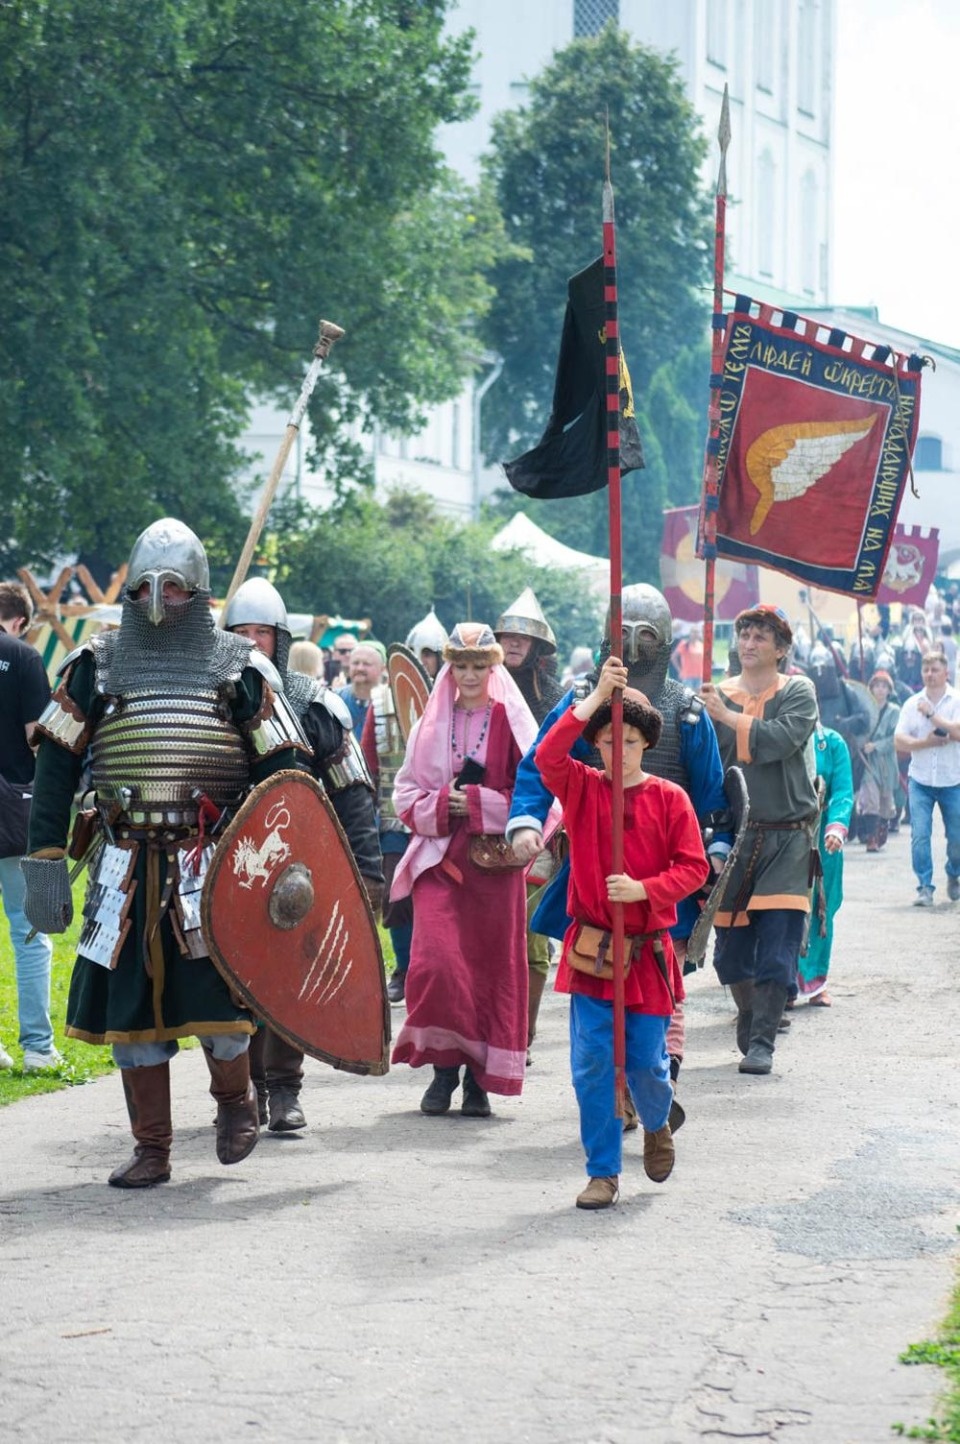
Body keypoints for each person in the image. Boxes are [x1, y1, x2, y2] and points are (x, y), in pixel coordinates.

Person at [22, 519, 306, 1188]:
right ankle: (152, 1147)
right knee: (131, 1014)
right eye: (148, 587)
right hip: (122, 866)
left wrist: (272, 856)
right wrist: (44, 856)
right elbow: (58, 760)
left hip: (209, 862)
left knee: (220, 1004)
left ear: (199, 594)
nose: (159, 601)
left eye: (175, 588)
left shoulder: (238, 665)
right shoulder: (96, 664)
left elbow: (283, 764)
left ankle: (235, 1103)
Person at [508, 583, 730, 1108]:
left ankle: (658, 1078)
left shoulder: (687, 712)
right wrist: (525, 819)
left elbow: (713, 795)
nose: (631, 646)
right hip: (594, 869)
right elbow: (542, 765)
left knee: (661, 980)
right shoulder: (580, 703)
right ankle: (615, 1091)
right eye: (622, 633)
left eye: (644, 635)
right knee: (596, 974)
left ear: (665, 642)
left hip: (660, 874)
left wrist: (715, 850)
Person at [535, 656, 709, 1210]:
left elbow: (694, 868)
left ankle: (657, 1120)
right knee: (590, 1062)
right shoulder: (582, 788)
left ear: (644, 746)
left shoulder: (670, 799)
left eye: (629, 741)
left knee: (644, 1064)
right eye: (608, 741)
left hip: (646, 954)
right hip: (592, 953)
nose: (618, 750)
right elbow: (546, 755)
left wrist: (644, 890)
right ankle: (602, 1172)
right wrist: (592, 700)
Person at [223, 578, 383, 1130]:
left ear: (281, 637)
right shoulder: (209, 698)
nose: (250, 642)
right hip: (232, 863)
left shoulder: (316, 704)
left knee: (292, 979)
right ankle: (243, 1089)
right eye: (240, 632)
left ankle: (285, 1089)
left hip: (297, 865)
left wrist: (367, 869)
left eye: (260, 632)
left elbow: (353, 792)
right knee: (233, 981)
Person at [390, 622, 535, 1117]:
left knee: (489, 973)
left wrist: (473, 802)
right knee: (437, 966)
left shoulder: (513, 723)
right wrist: (440, 806)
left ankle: (478, 1081)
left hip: (495, 870)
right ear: (449, 667)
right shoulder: (429, 724)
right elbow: (404, 794)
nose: (470, 675)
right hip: (439, 860)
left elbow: (537, 798)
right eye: (461, 666)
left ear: (492, 668)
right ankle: (442, 1069)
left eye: (479, 666)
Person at [700, 604, 819, 1076]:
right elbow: (705, 768)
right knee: (729, 952)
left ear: (781, 649)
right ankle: (749, 1017)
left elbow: (779, 741)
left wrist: (724, 717)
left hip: (788, 836)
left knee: (777, 946)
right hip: (736, 838)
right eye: (744, 634)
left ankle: (763, 1042)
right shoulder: (716, 695)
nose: (749, 644)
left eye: (760, 637)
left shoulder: (799, 690)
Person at [494, 587, 565, 1058]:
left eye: (523, 636)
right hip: (481, 825)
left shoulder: (556, 700)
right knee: (486, 938)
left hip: (542, 829)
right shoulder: (479, 689)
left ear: (538, 647)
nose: (515, 641)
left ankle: (522, 1032)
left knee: (531, 937)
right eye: (507, 635)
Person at [0, 582, 59, 1071]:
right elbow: (34, 736)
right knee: (30, 931)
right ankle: (37, 1048)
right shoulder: (22, 658)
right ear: (20, 620)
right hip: (14, 810)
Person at [894, 650, 960, 907]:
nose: (930, 675)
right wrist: (926, 742)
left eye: (934, 670)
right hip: (920, 779)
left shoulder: (956, 700)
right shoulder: (912, 703)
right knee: (919, 834)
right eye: (926, 670)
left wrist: (932, 715)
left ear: (946, 672)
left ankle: (954, 873)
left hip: (953, 779)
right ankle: (924, 885)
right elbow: (899, 740)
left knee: (956, 837)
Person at [795, 724, 853, 1006]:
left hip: (823, 835)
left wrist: (836, 828)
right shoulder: (777, 734)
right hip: (785, 832)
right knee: (782, 907)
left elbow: (842, 790)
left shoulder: (831, 742)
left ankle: (815, 983)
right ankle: (783, 985)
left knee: (821, 906)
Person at [857, 669, 901, 852]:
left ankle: (881, 832)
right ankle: (871, 838)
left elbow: (896, 738)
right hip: (869, 762)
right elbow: (858, 730)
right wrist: (862, 742)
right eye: (877, 686)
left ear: (889, 690)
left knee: (885, 802)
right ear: (872, 688)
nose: (880, 690)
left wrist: (876, 745)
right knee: (870, 799)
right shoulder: (865, 709)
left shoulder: (894, 711)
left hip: (886, 762)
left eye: (884, 686)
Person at [335, 641, 383, 733]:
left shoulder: (390, 701)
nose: (360, 668)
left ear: (382, 669)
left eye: (367, 664)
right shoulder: (336, 699)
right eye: (355, 663)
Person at [405, 608, 448, 682]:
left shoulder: (454, 693)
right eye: (412, 654)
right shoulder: (392, 692)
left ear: (440, 658)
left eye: (427, 655)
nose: (420, 661)